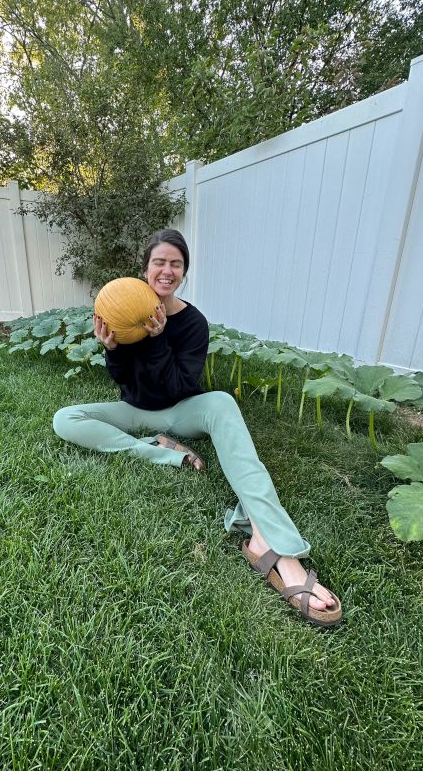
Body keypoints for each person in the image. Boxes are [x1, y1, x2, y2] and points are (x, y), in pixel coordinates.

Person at [53, 229, 342, 627]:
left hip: (182, 409)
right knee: (65, 418)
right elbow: (126, 385)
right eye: (159, 262)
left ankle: (271, 542)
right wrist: (113, 351)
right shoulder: (125, 310)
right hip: (135, 410)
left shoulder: (193, 323)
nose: (167, 270)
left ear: (183, 272)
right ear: (146, 269)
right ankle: (159, 451)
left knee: (222, 402)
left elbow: (179, 387)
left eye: (176, 263)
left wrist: (157, 341)